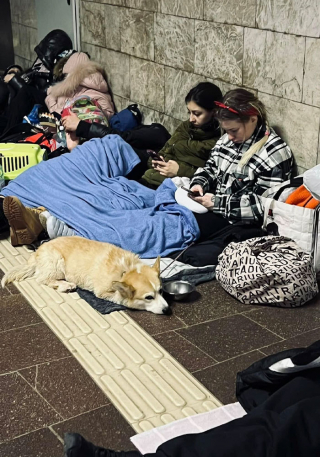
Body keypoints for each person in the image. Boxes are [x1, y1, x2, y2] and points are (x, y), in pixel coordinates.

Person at [62, 81, 223, 189]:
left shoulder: (219, 143)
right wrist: (158, 160)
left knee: (114, 187)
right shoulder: (186, 127)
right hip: (151, 172)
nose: (191, 118)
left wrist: (180, 170)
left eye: (197, 113)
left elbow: (216, 178)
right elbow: (166, 150)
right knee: (113, 147)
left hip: (163, 184)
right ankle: (76, 160)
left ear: (214, 113)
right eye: (189, 112)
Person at [1, 29, 73, 133]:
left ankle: (7, 135)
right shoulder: (42, 63)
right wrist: (16, 72)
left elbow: (39, 93)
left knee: (23, 93)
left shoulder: (59, 72)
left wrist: (15, 80)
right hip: (17, 101)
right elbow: (31, 74)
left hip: (35, 105)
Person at [45, 51, 115, 120]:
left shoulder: (96, 90)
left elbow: (108, 115)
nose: (66, 78)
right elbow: (55, 111)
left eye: (67, 75)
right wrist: (52, 94)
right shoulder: (67, 90)